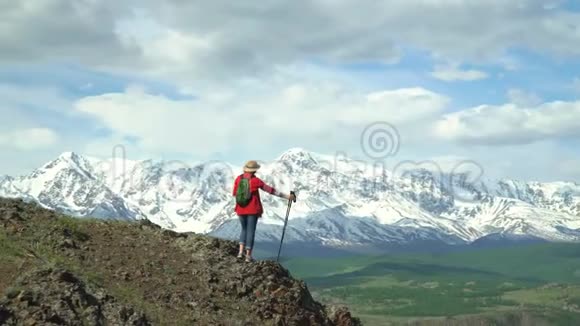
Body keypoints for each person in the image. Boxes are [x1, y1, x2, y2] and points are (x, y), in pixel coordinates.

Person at [232, 160, 296, 262]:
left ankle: (240, 253)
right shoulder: (255, 181)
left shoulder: (238, 179)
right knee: (251, 232)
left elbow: (235, 193)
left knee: (244, 229)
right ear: (254, 170)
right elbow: (270, 190)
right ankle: (248, 256)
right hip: (253, 209)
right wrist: (287, 196)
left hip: (240, 209)